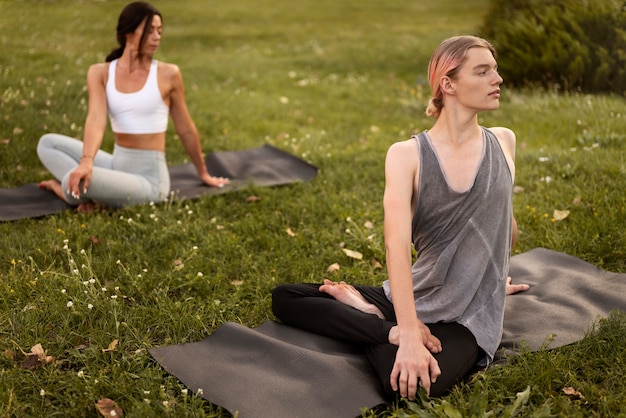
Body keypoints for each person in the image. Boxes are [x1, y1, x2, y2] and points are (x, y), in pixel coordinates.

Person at [272, 35, 527, 401]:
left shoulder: (503, 141)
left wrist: (491, 278)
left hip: (465, 317)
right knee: (286, 298)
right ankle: (381, 325)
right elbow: (395, 245)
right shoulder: (407, 155)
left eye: (496, 69)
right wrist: (405, 331)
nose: (497, 79)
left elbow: (506, 226)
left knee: (418, 387)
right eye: (483, 71)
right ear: (448, 84)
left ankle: (367, 317)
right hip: (411, 297)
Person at [37, 1, 228, 212]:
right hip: (118, 163)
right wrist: (86, 161)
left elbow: (186, 128)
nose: (157, 37)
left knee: (72, 183)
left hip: (149, 180)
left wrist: (203, 173)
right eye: (149, 31)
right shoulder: (100, 73)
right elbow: (96, 119)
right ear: (128, 32)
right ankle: (95, 192)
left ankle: (65, 190)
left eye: (159, 31)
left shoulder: (168, 74)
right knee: (47, 144)